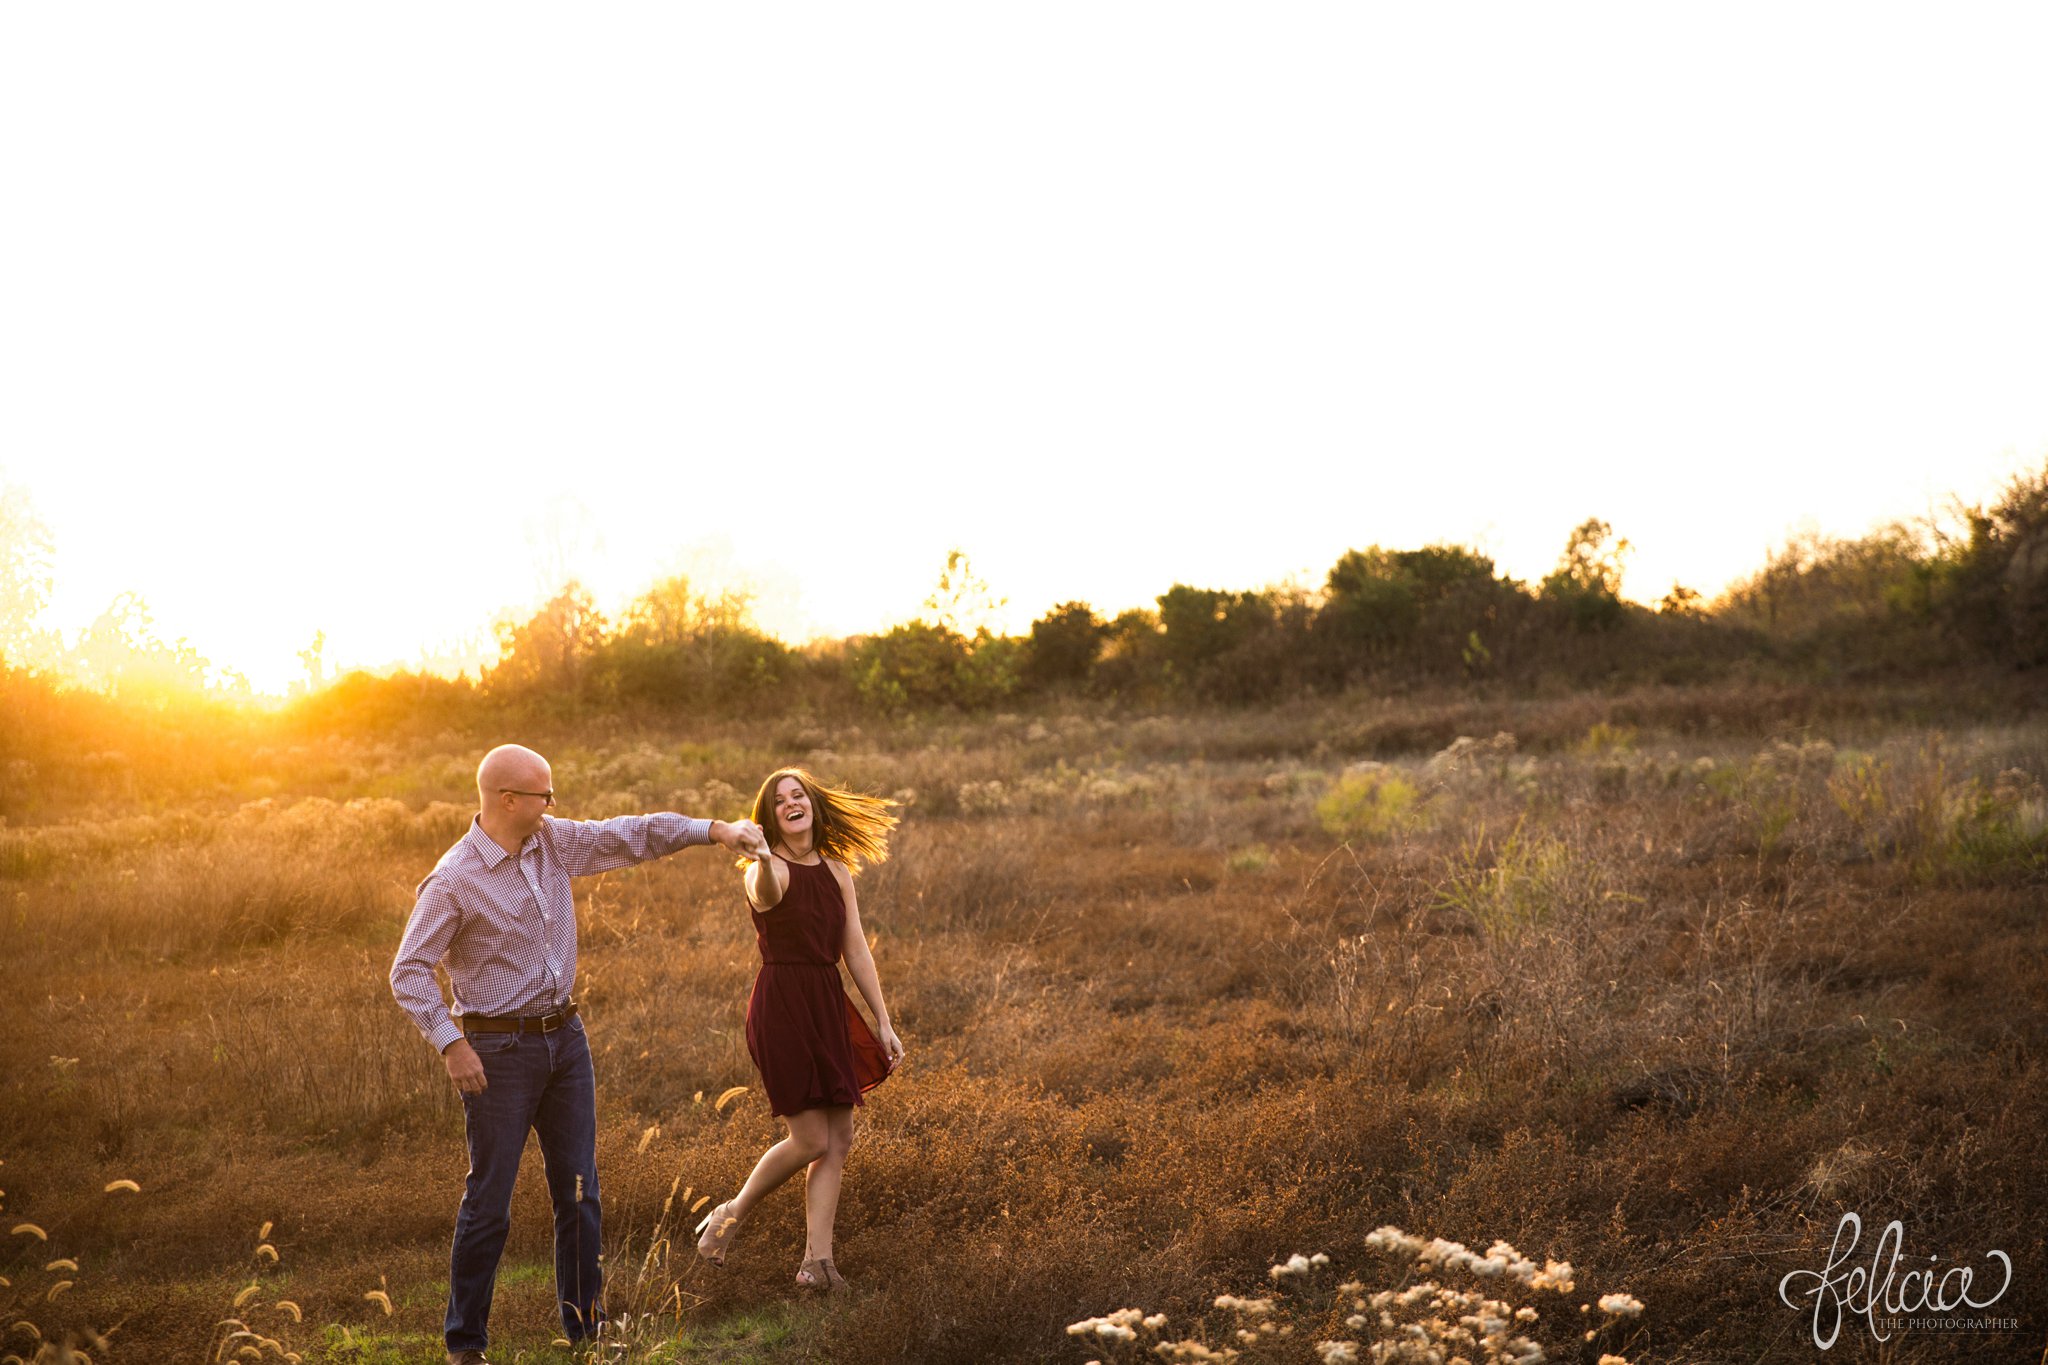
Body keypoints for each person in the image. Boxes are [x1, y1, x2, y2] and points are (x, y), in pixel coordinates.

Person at [390, 743, 768, 1365]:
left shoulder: (552, 843)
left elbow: (627, 836)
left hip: (565, 1041)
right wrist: (451, 1042)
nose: (554, 805)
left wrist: (713, 831)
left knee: (579, 1192)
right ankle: (465, 1346)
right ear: (508, 800)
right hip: (496, 1049)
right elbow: (408, 973)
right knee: (490, 1201)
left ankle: (586, 1331)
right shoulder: (454, 878)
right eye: (545, 795)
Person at [694, 766, 905, 1292]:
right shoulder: (763, 870)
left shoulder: (836, 871)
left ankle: (818, 1262)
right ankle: (727, 1217)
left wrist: (882, 1020)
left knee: (839, 1137)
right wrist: (764, 859)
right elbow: (766, 892)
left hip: (826, 1001)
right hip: (783, 1005)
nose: (792, 802)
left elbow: (854, 946)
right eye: (781, 799)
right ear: (769, 817)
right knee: (810, 1137)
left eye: (799, 794)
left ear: (812, 803)